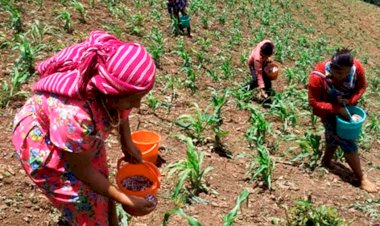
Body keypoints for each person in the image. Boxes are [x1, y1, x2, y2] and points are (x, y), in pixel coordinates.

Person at [12, 31, 158, 225]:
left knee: (101, 187)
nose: (137, 105)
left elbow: (122, 108)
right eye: (132, 100)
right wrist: (125, 198)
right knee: (84, 202)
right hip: (43, 143)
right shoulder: (75, 116)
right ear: (110, 94)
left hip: (76, 138)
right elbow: (82, 170)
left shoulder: (106, 83)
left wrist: (127, 141)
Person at [308, 48, 377, 193]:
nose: (342, 77)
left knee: (333, 137)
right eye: (339, 73)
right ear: (332, 66)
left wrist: (350, 101)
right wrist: (337, 109)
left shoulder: (356, 68)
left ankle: (326, 161)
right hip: (328, 110)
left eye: (346, 73)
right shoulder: (318, 77)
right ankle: (362, 178)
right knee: (347, 141)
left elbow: (361, 87)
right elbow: (314, 101)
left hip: (347, 108)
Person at [246, 39, 275, 104]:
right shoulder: (257, 58)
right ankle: (243, 90)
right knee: (256, 80)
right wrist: (261, 89)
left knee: (267, 79)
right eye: (261, 54)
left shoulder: (268, 43)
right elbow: (259, 74)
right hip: (253, 64)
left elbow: (272, 48)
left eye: (263, 55)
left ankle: (267, 98)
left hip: (263, 62)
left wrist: (268, 58)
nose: (261, 55)